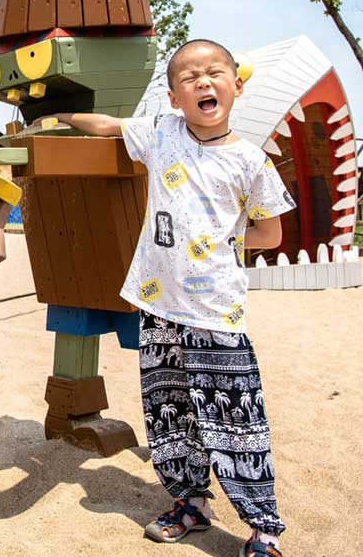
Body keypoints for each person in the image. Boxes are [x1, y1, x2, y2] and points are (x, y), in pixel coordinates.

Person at [44, 39, 295, 557]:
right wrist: (60, 114)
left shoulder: (252, 163)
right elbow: (110, 127)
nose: (204, 82)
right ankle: (190, 504)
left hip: (216, 311)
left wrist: (216, 239)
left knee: (234, 419)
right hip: (159, 305)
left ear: (236, 86)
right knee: (169, 412)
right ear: (174, 96)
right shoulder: (162, 134)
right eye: (190, 77)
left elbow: (269, 234)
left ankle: (263, 529)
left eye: (215, 73)